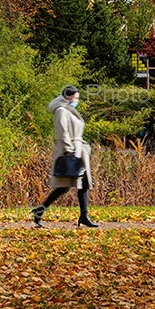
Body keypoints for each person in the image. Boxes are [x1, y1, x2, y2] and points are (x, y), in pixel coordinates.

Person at [30, 85, 98, 228]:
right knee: (64, 187)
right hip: (69, 151)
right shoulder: (61, 111)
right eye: (76, 98)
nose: (77, 101)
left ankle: (84, 216)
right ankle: (39, 211)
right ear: (68, 96)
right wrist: (69, 150)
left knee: (83, 184)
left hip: (78, 150)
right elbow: (62, 131)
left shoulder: (69, 110)